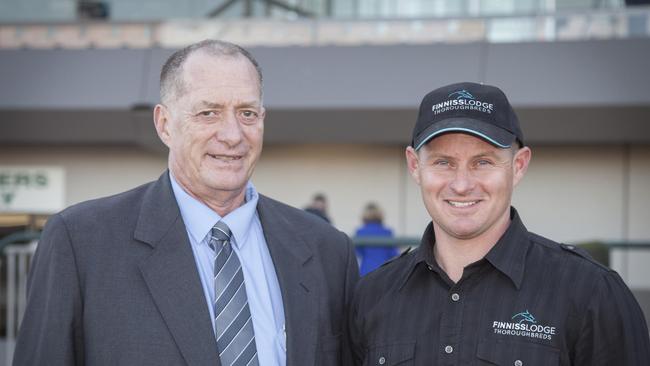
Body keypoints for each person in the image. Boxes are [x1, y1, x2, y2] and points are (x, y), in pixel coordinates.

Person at [14, 40, 359, 366]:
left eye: (247, 113)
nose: (233, 135)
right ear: (164, 124)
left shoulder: (327, 250)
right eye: (209, 113)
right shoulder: (81, 243)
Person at [349, 82, 650, 365]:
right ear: (415, 167)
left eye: (483, 162)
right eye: (443, 163)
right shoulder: (373, 296)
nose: (462, 184)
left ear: (518, 166)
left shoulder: (592, 293)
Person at [354, 202, 398, 276]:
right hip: (384, 270)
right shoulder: (387, 232)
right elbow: (394, 253)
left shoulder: (360, 232)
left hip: (366, 270)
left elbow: (357, 252)